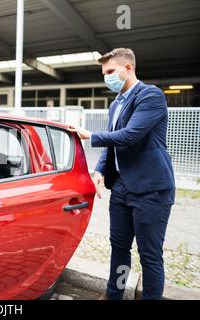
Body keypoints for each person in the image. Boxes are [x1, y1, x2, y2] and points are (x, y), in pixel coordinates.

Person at [70, 48, 175, 300]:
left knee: (149, 255)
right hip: (121, 187)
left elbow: (129, 136)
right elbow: (112, 145)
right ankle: (113, 295)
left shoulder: (151, 96)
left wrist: (90, 135)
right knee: (119, 247)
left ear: (128, 68)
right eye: (104, 73)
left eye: (110, 72)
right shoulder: (116, 103)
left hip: (151, 188)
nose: (106, 77)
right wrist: (99, 171)